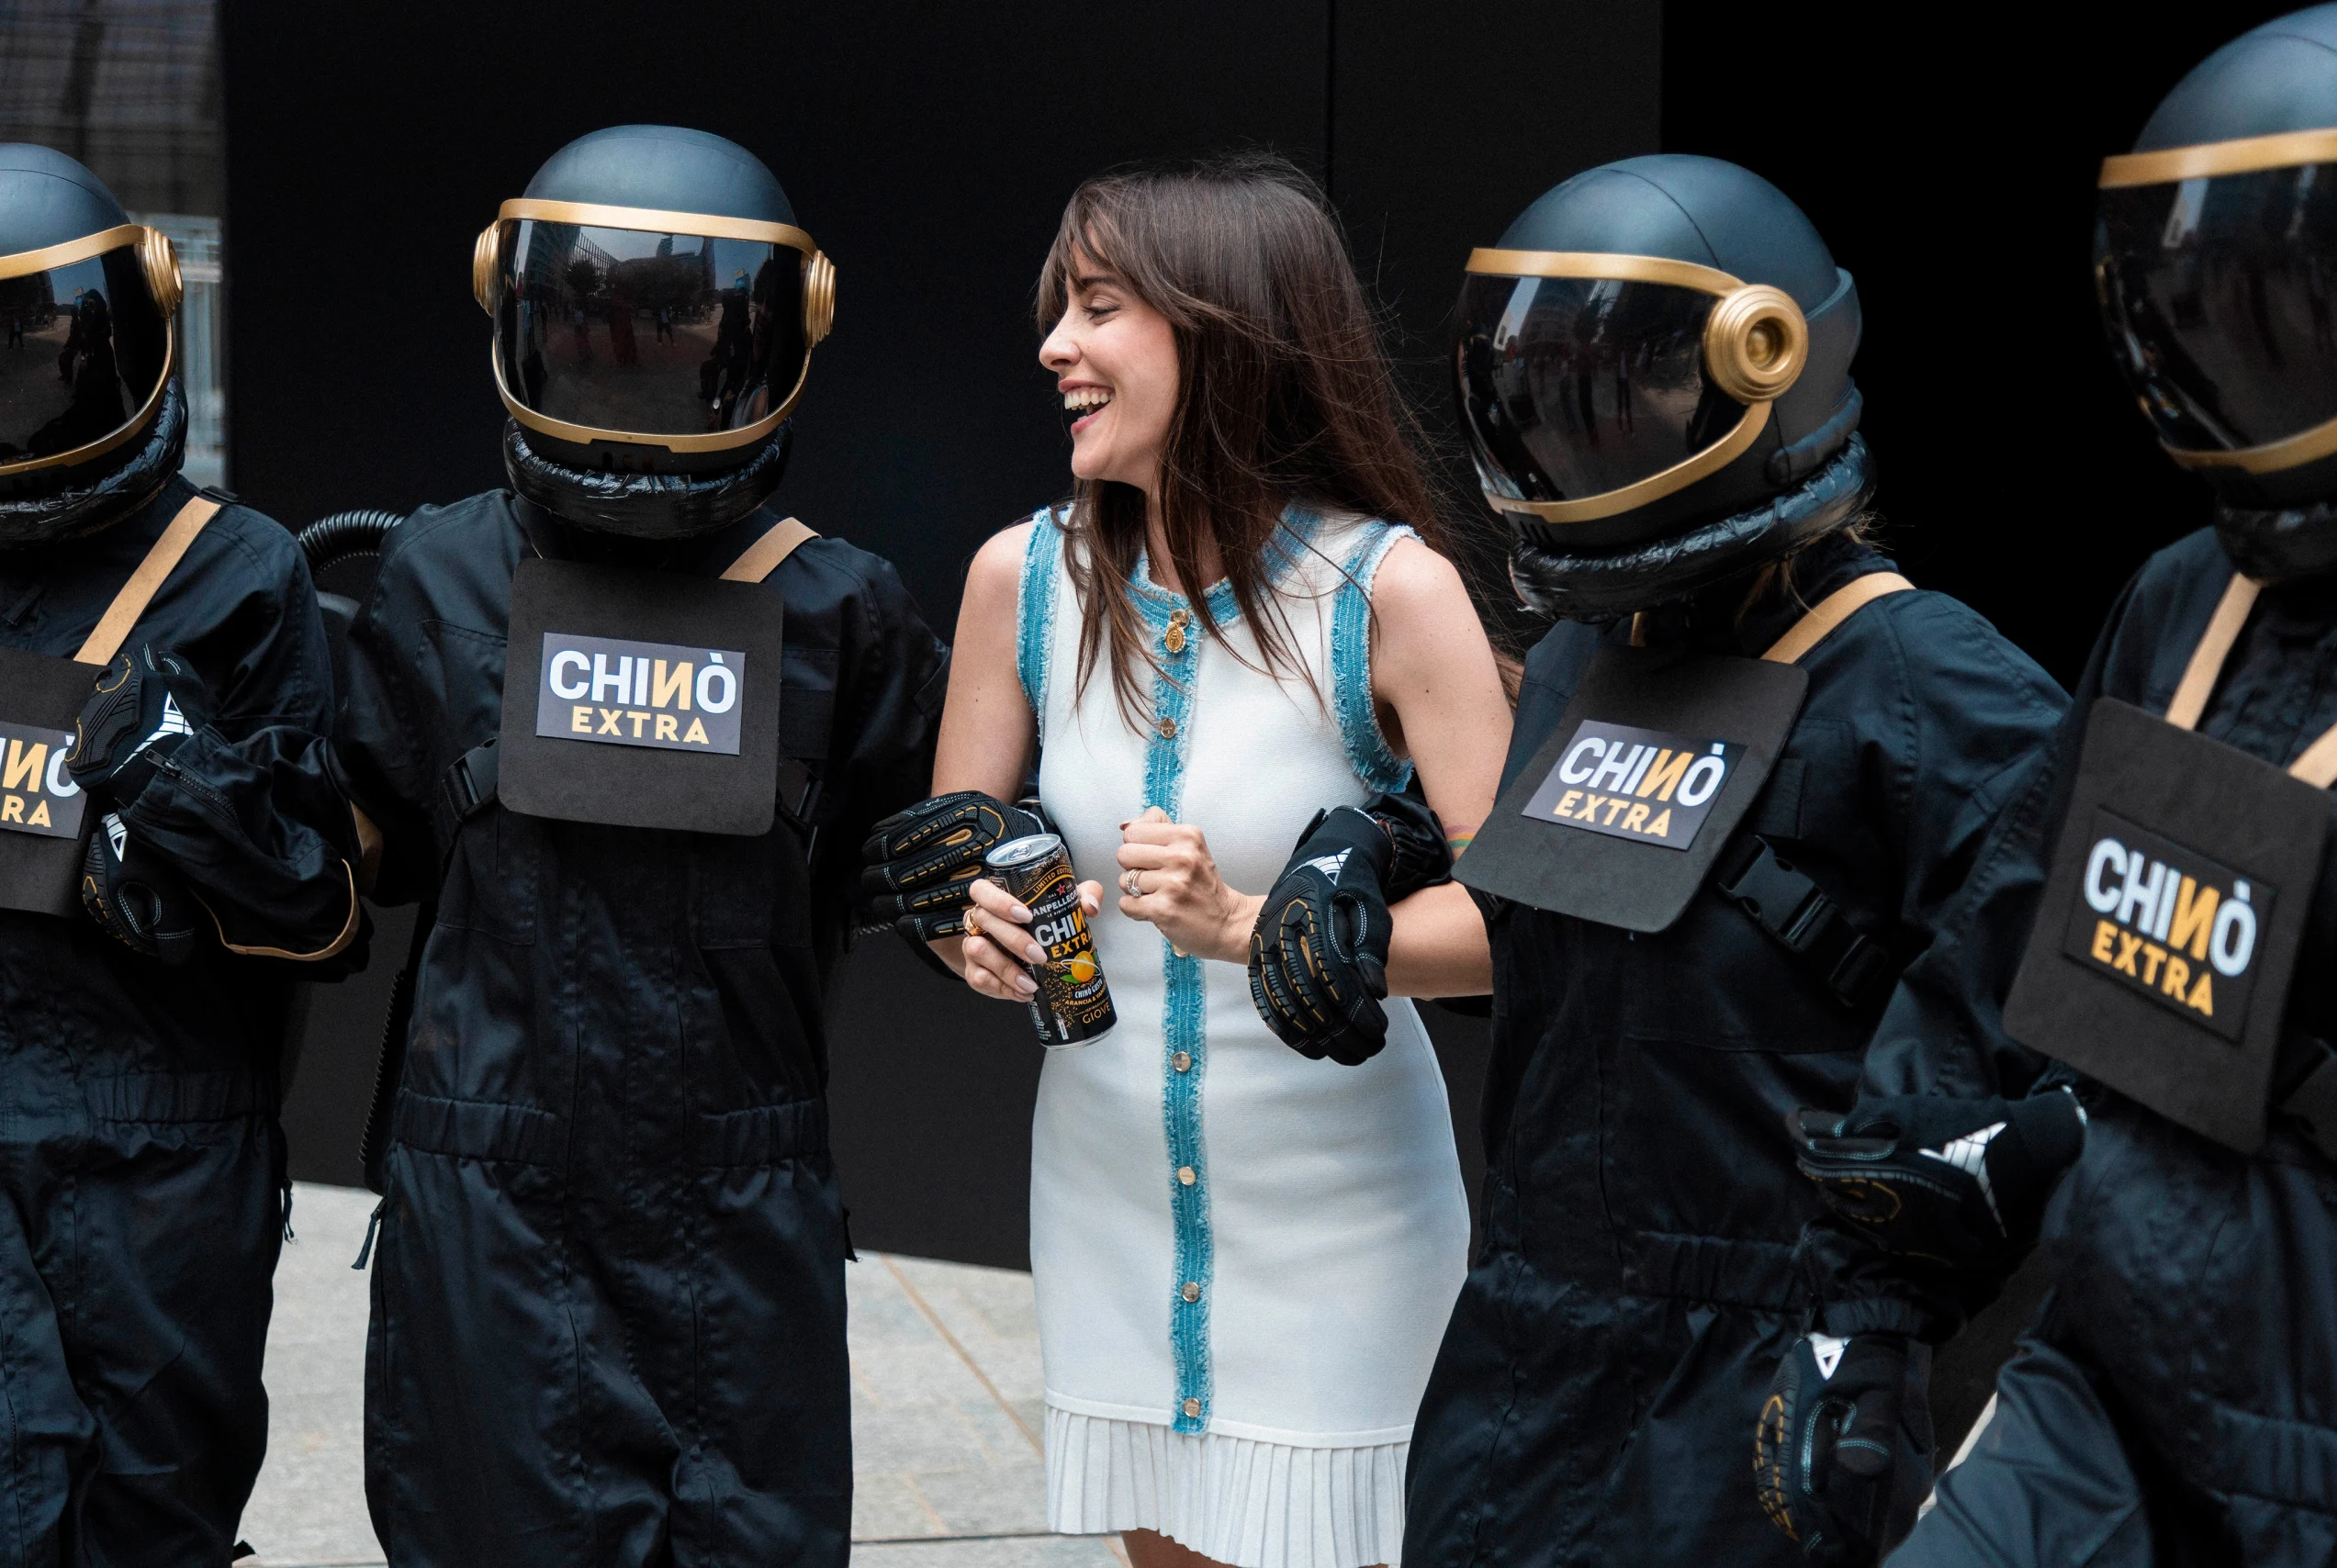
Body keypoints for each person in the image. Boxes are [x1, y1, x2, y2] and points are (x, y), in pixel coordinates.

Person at [1400, 155, 2068, 1567]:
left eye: (1621, 392)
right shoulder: (1586, 660)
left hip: (1766, 1384)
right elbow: (1559, 968)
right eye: (1538, 397)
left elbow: (2091, 1065)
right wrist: (1367, 870)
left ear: (1759, 367)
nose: (1572, 436)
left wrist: (1893, 1327)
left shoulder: (1928, 692)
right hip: (1525, 1347)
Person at [862, 153, 1505, 1568]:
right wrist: (975, 935)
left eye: (1099, 307)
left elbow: (1523, 927)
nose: (1055, 346)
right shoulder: (1019, 582)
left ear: (1222, 333)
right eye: (1060, 308)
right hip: (1103, 1200)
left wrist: (1259, 926)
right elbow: (957, 868)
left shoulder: (1390, 594)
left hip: (1345, 1220)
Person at [335, 124, 944, 1566]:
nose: (629, 356)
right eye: (591, 315)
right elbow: (359, 861)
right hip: (493, 1197)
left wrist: (975, 873)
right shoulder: (440, 574)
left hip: (734, 1201)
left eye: (678, 323)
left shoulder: (839, 610)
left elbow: (907, 864)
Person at [1882, 10, 2337, 1560]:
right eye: (2202, 309)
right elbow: (2015, 927)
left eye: (2289, 311)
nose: (2236, 362)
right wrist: (1868, 1287)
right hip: (2103, 1367)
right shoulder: (2188, 603)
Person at [0, 142, 365, 1565]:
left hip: (159, 1140)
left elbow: (319, 909)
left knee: (153, 1516)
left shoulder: (234, 569)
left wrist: (183, 791)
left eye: (42, 348)